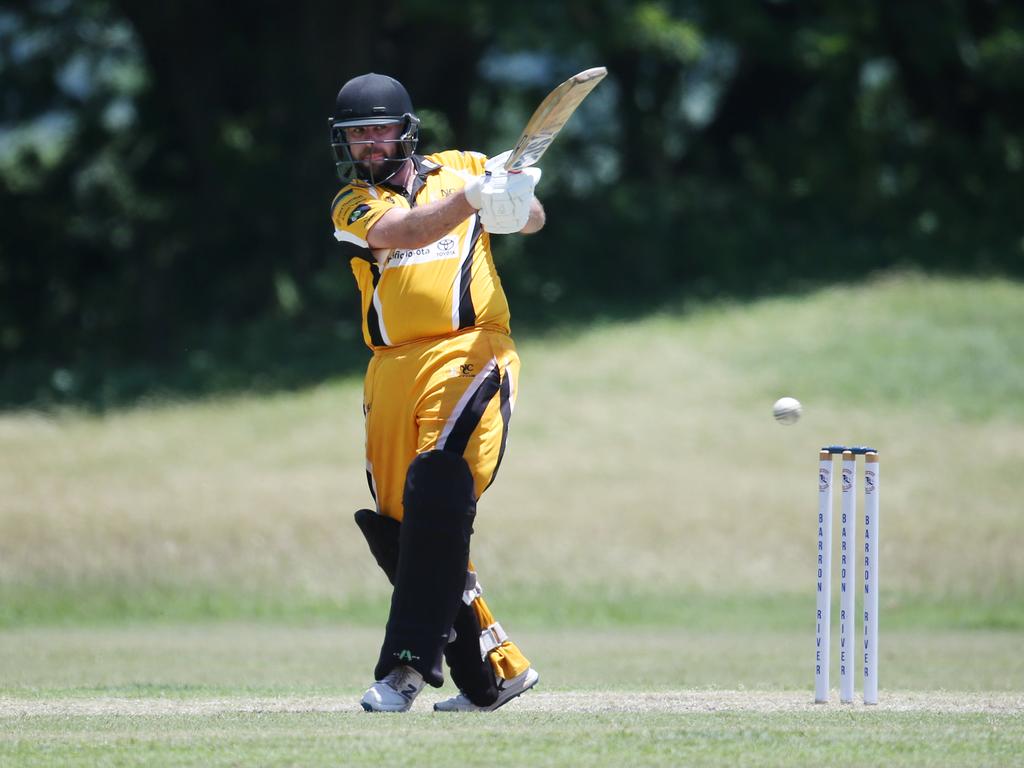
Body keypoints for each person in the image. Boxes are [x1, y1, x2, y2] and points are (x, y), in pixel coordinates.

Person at [328, 72, 544, 713]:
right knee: (404, 531)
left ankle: (404, 668)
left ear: (406, 129)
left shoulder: (464, 168)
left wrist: (510, 196)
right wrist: (475, 198)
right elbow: (407, 232)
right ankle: (493, 675)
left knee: (440, 484)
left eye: (378, 130)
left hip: (472, 347)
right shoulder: (352, 204)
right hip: (393, 369)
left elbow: (531, 219)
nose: (369, 144)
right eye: (356, 135)